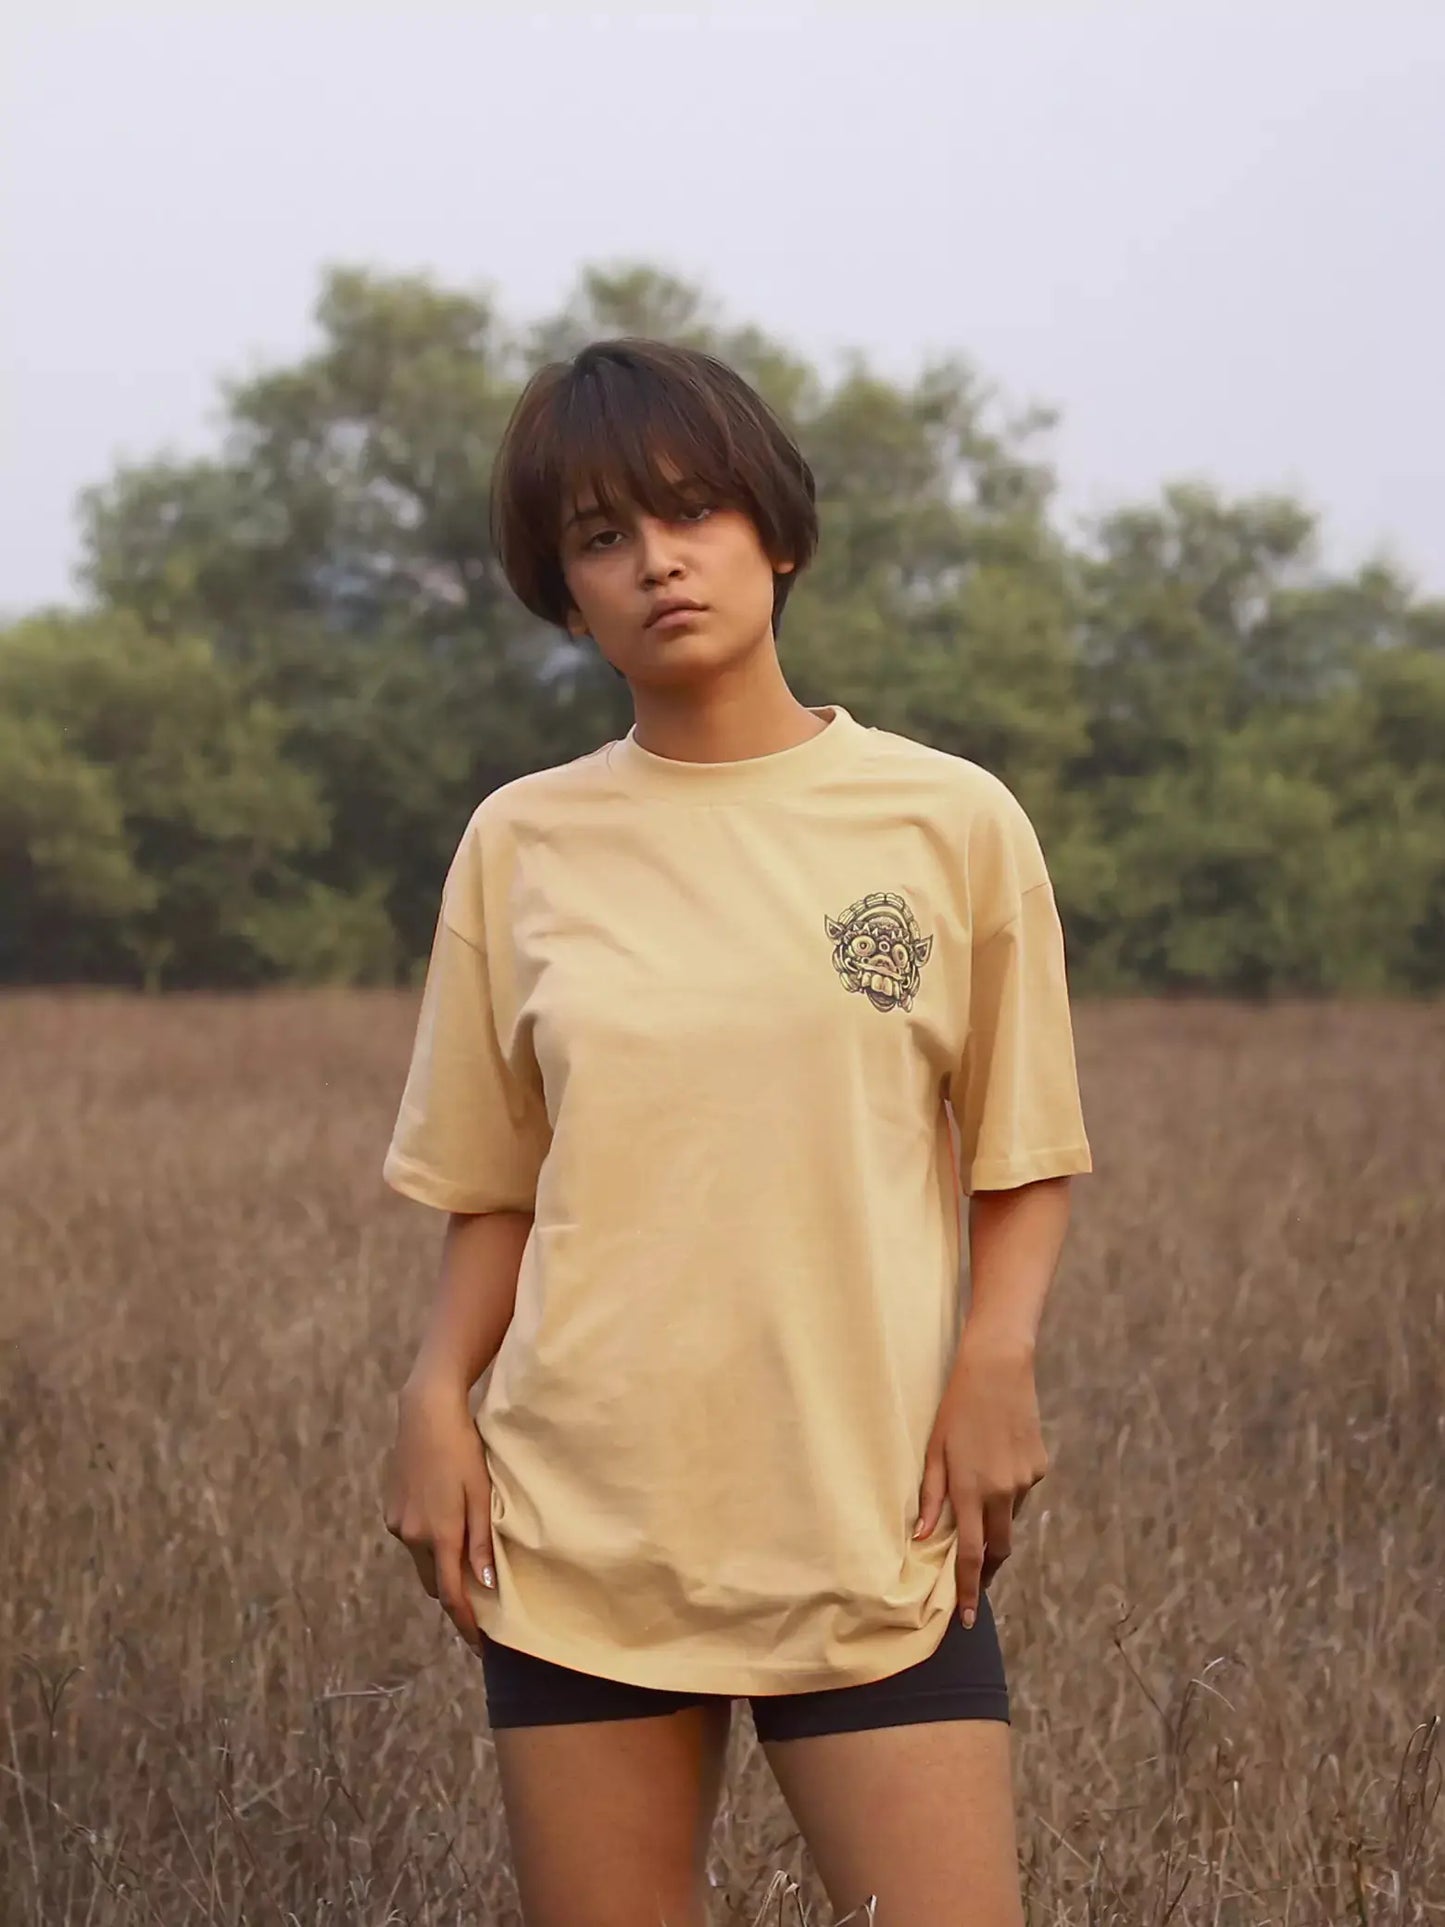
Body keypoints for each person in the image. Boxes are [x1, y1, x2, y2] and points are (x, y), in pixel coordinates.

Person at [380, 337, 1093, 1927]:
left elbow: (1024, 1146)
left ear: (777, 532)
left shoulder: (947, 820)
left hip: (872, 1517)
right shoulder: (521, 843)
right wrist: (433, 1392)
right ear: (565, 595)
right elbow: (494, 1185)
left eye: (691, 511)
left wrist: (997, 1358)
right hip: (583, 1525)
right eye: (601, 536)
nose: (656, 561)